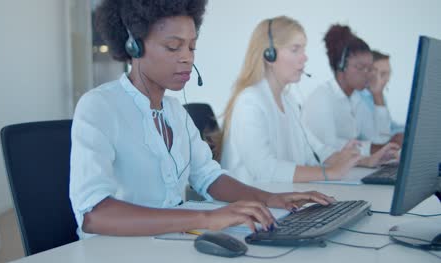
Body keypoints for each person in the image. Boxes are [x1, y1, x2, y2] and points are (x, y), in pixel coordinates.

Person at [69, 0, 334, 239]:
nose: (187, 57)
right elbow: (94, 214)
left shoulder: (174, 111)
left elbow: (209, 177)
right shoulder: (100, 106)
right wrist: (206, 218)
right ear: (134, 45)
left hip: (168, 244)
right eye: (173, 46)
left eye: (192, 46)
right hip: (114, 252)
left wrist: (273, 199)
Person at [218, 16, 362, 185]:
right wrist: (329, 172)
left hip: (280, 199)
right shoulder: (249, 102)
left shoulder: (289, 101)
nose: (305, 57)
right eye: (295, 49)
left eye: (303, 49)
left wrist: (350, 158)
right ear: (269, 55)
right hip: (249, 203)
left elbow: (314, 150)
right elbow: (264, 169)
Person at [302, 24, 399, 167]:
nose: (369, 74)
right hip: (322, 174)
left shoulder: (355, 98)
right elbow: (328, 150)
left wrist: (377, 94)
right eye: (361, 68)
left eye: (370, 68)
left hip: (347, 170)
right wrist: (372, 150)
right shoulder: (322, 98)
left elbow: (379, 138)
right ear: (341, 66)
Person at [356, 50, 404, 146]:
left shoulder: (372, 95)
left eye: (388, 73)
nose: (387, 79)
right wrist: (377, 95)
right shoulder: (356, 99)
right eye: (383, 74)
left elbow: (390, 126)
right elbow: (379, 138)